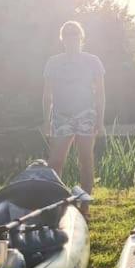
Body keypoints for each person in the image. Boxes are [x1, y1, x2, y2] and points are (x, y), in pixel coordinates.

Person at [42, 20, 105, 215]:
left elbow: (100, 93)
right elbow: (47, 95)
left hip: (86, 115)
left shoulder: (93, 61)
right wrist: (46, 121)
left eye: (74, 34)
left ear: (81, 37)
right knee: (55, 162)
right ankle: (57, 205)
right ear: (62, 39)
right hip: (61, 117)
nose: (71, 38)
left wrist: (100, 121)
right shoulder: (53, 62)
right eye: (67, 34)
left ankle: (84, 207)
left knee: (85, 160)